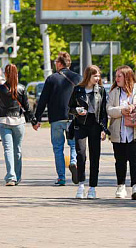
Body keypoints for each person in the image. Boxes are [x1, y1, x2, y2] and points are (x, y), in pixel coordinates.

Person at [32, 51, 81, 186]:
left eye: (55, 62)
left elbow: (43, 100)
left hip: (56, 118)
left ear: (59, 63)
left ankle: (61, 178)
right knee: (73, 144)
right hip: (73, 117)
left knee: (58, 147)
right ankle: (73, 162)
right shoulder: (78, 78)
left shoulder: (51, 79)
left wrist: (37, 119)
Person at [107, 65, 136, 200]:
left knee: (135, 159)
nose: (117, 79)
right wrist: (122, 110)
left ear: (127, 76)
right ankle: (121, 186)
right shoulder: (114, 92)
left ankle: (135, 186)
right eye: (116, 76)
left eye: (119, 76)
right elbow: (108, 109)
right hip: (118, 132)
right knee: (120, 161)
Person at [68, 65, 109, 199]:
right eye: (94, 76)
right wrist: (77, 111)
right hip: (80, 124)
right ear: (88, 76)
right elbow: (70, 108)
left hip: (95, 124)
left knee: (95, 156)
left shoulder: (101, 91)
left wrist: (104, 128)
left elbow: (103, 112)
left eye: (98, 76)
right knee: (81, 154)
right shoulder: (78, 89)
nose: (97, 78)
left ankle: (92, 187)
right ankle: (81, 185)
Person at [0, 64, 34, 186]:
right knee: (17, 150)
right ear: (17, 74)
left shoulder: (0, 89)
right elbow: (27, 107)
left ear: (5, 74)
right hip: (19, 122)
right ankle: (18, 176)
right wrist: (34, 121)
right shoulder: (22, 88)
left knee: (8, 150)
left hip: (4, 121)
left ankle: (11, 177)